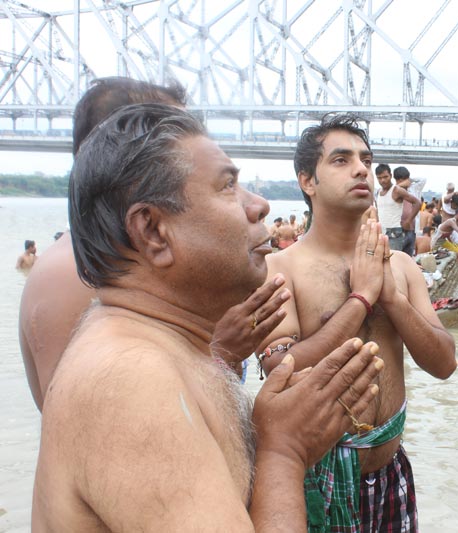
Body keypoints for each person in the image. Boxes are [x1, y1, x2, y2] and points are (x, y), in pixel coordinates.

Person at [32, 103, 385, 531]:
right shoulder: (127, 378)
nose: (259, 206)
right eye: (228, 187)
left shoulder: (161, 346)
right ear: (153, 232)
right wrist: (284, 452)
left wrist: (221, 357)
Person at [19, 77, 284, 411]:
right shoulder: (69, 271)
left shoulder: (142, 273)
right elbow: (90, 423)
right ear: (114, 142)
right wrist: (219, 352)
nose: (190, 138)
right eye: (164, 128)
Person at [260, 114, 457, 532]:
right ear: (307, 181)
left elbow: (444, 364)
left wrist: (390, 297)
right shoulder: (281, 269)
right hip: (316, 475)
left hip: (390, 476)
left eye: (365, 158)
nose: (361, 168)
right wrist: (361, 299)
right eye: (341, 159)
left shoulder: (401, 266)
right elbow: (279, 373)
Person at [375, 163, 419, 252]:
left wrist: (408, 221)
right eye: (379, 178)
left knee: (395, 261)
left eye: (385, 177)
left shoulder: (396, 190)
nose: (383, 180)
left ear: (391, 176)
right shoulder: (378, 192)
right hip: (383, 231)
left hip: (395, 232)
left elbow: (417, 203)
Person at [394, 166, 422, 256]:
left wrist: (407, 181)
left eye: (405, 180)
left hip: (411, 231)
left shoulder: (413, 190)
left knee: (408, 259)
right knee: (396, 258)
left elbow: (422, 179)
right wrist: (399, 186)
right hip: (398, 232)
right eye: (400, 180)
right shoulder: (394, 191)